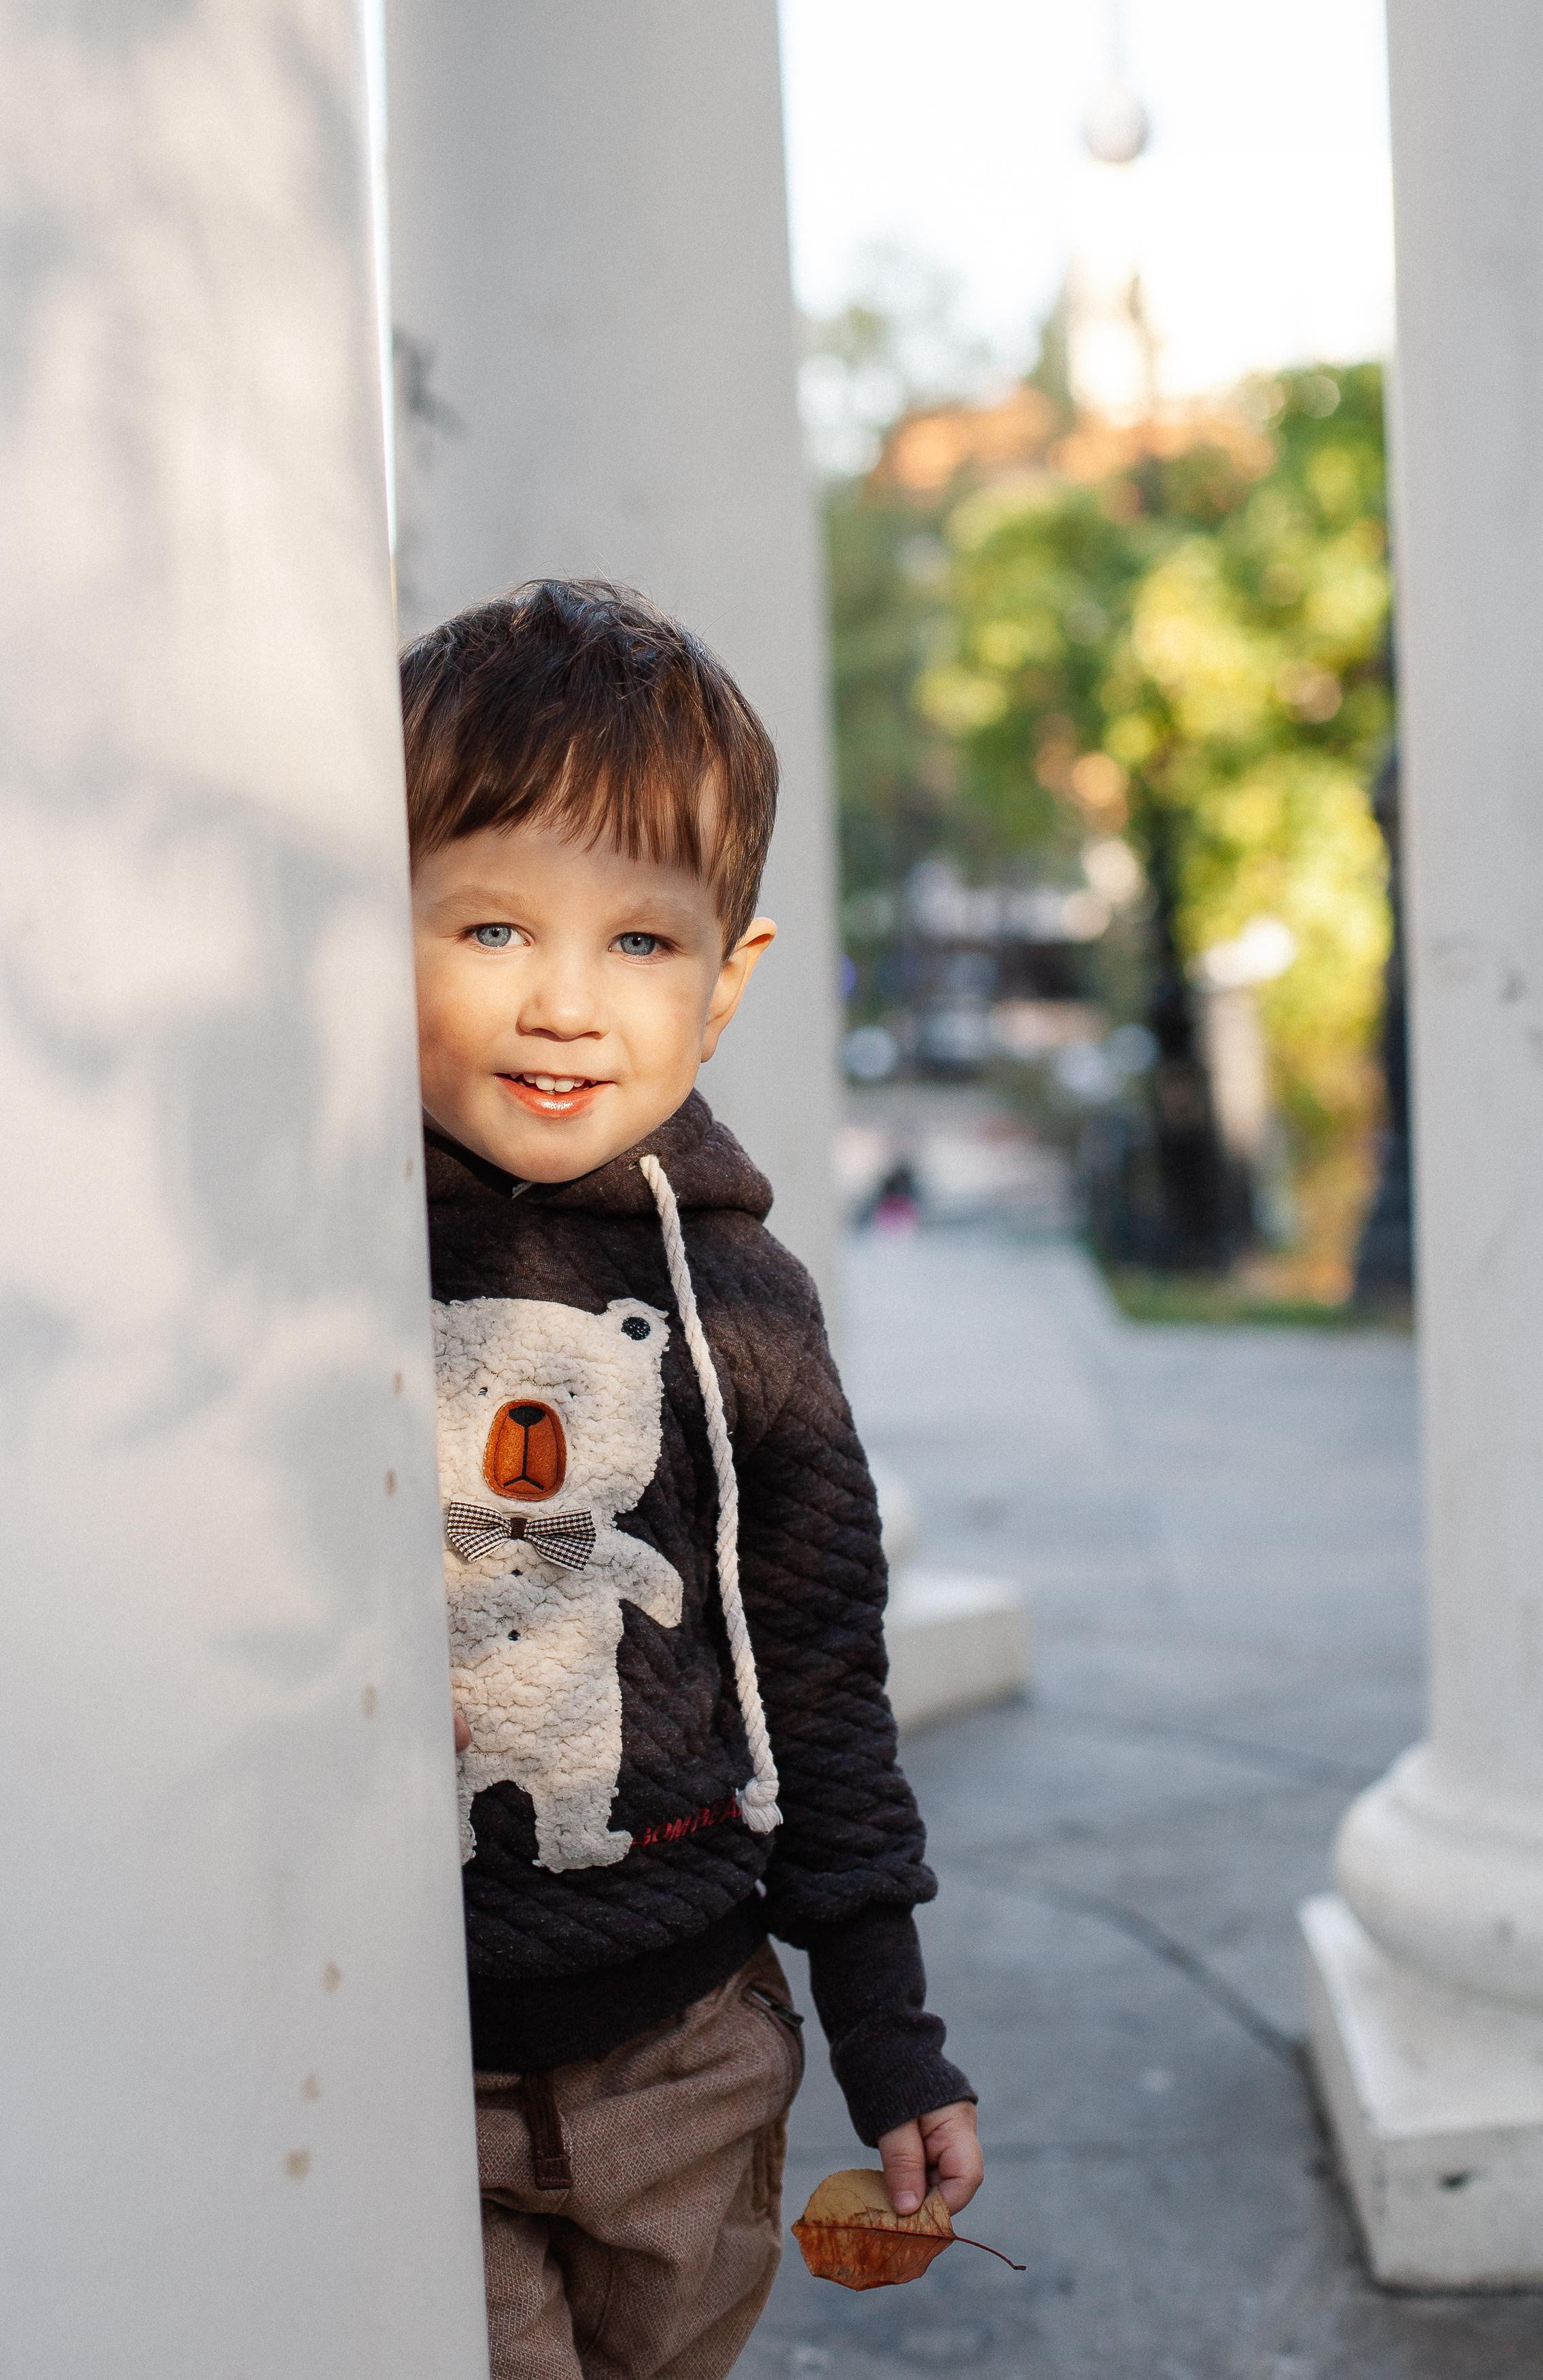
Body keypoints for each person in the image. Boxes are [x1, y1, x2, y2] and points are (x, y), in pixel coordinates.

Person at [405, 579, 981, 2380]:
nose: (567, 1003)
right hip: (404, 2055)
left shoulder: (748, 1311)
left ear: (727, 984)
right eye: (493, 925)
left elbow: (820, 1672)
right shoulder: (317, 1263)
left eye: (643, 941)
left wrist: (886, 2028)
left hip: (687, 2056)